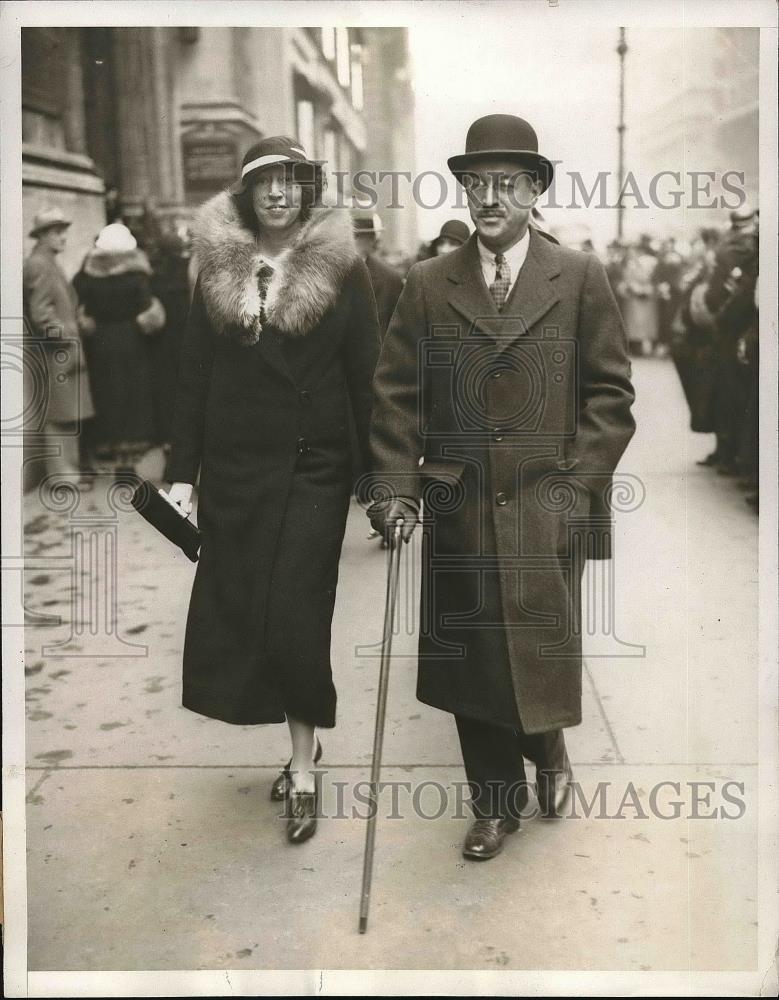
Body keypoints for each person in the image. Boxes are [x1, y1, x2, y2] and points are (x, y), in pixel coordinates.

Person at [367, 114, 635, 861]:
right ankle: (492, 804)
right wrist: (395, 490)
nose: (489, 198)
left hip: (547, 499)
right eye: (475, 183)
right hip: (459, 500)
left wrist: (577, 487)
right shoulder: (427, 283)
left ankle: (546, 748)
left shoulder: (577, 276)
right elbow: (395, 395)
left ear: (534, 190)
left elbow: (609, 395)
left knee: (533, 645)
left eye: (506, 183)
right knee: (469, 655)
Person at [164, 137, 380, 844]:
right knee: (248, 613)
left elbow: (367, 375)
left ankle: (301, 765)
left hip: (314, 465)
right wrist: (180, 471)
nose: (281, 193)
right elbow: (191, 373)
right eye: (267, 183)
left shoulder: (345, 269)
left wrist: (383, 476)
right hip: (235, 471)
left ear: (307, 191)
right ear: (247, 194)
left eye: (293, 180)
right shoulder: (211, 270)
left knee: (295, 612)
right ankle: (301, 743)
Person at [73, 222, 165, 482]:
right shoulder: (136, 276)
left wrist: (89, 324)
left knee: (108, 399)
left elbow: (75, 303)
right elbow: (150, 312)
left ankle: (111, 459)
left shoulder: (87, 275)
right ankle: (127, 466)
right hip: (131, 343)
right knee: (131, 401)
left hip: (100, 344)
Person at [23, 206, 95, 481]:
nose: (64, 236)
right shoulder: (39, 265)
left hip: (62, 354)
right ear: (42, 236)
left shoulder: (48, 262)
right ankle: (64, 479)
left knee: (67, 415)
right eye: (57, 231)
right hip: (57, 354)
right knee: (60, 417)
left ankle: (69, 476)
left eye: (64, 230)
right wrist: (67, 335)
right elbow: (41, 314)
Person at [352, 210, 404, 338]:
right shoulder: (326, 274)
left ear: (371, 239)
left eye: (357, 236)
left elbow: (398, 332)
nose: (350, 241)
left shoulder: (390, 279)